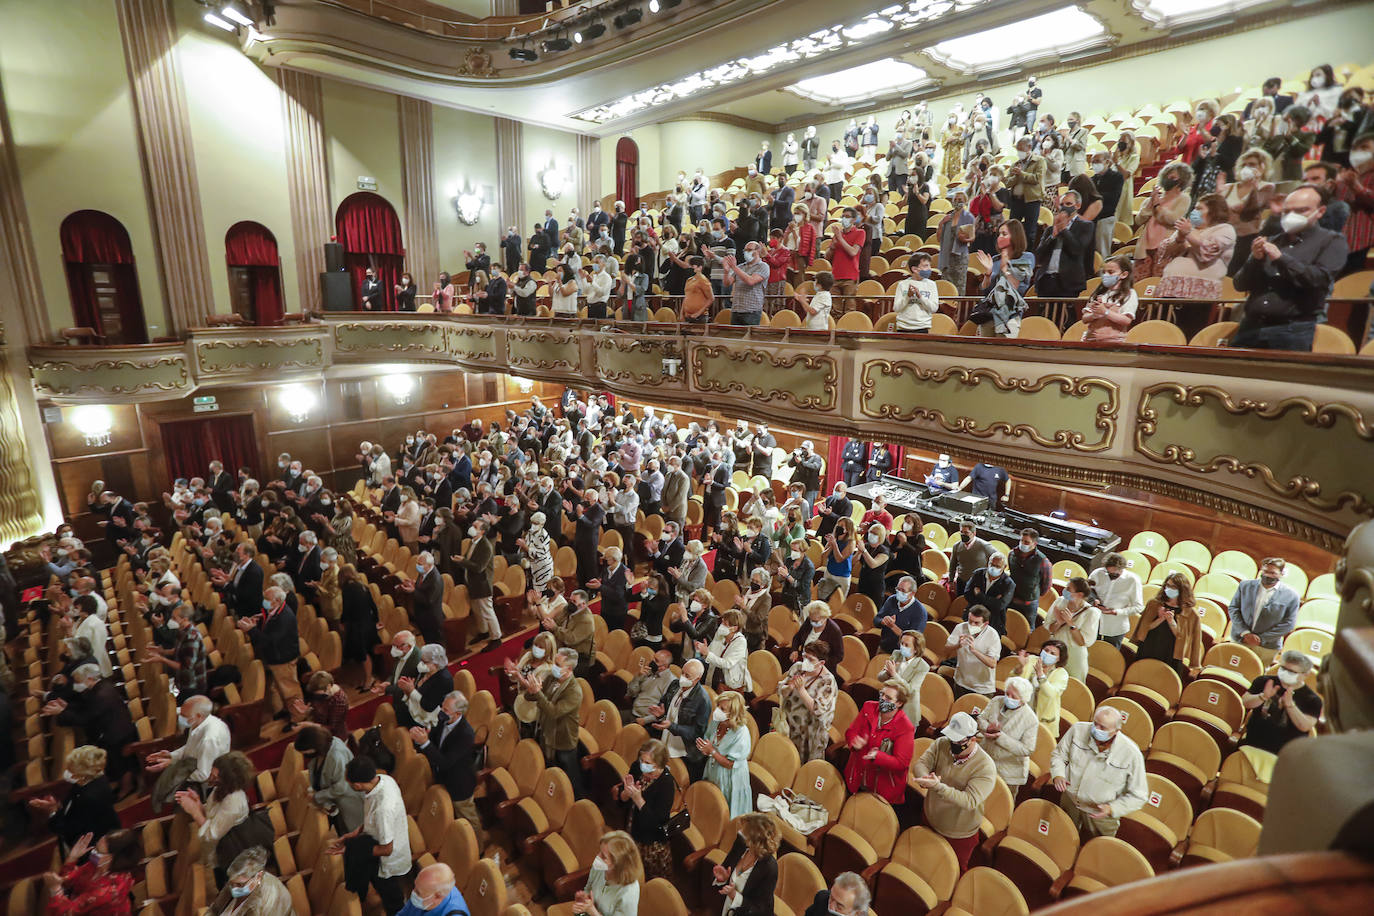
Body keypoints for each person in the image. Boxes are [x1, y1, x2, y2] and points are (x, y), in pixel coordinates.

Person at [1231, 186, 1348, 351]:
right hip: (1250, 326)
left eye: (1301, 210)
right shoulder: (1271, 241)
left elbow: (1317, 279)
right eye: (1287, 211)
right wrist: (1255, 261)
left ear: (1320, 211)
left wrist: (1281, 258)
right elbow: (1240, 284)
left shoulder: (1332, 241)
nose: (1292, 216)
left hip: (1293, 330)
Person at [913, 711, 997, 870]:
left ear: (973, 739)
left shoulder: (985, 767)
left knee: (951, 872)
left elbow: (969, 801)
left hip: (959, 833)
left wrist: (937, 787)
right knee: (923, 863)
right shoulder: (941, 743)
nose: (952, 743)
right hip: (930, 818)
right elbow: (921, 764)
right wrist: (924, 778)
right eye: (950, 737)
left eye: (957, 740)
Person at [1050, 706, 1148, 838]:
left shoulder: (1131, 753)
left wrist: (1112, 809)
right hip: (1070, 802)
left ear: (1116, 731)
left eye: (1103, 728)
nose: (1096, 729)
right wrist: (1058, 774)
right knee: (1061, 840)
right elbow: (1059, 755)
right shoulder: (1078, 729)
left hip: (1100, 815)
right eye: (1095, 723)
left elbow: (1139, 796)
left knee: (1095, 853)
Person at [330, 756, 411, 915]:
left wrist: (353, 851)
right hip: (379, 840)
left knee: (393, 901)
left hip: (388, 861)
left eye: (349, 783)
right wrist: (355, 834)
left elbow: (387, 849)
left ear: (358, 785)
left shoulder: (383, 808)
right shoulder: (385, 779)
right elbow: (372, 820)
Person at [50, 663, 138, 790]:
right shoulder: (101, 687)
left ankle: (127, 789)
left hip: (118, 736)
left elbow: (86, 718)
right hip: (113, 731)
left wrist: (62, 712)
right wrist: (66, 707)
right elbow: (86, 708)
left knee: (122, 766)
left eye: (79, 681)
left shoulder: (101, 694)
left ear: (90, 679)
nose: (77, 684)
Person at [410, 689, 481, 831]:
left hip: (459, 785)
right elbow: (435, 741)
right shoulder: (444, 720)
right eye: (442, 707)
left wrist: (425, 743)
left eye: (446, 709)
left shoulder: (465, 734)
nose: (441, 711)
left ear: (458, 714)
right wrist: (424, 738)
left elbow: (445, 762)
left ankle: (478, 849)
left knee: (469, 821)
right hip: (442, 778)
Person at [29, 745, 120, 853]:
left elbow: (68, 830)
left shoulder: (89, 797)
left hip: (93, 851)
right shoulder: (91, 781)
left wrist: (52, 811)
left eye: (70, 768)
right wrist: (55, 807)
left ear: (82, 772)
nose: (67, 772)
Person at [178, 751, 254, 879]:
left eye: (216, 776)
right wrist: (198, 805)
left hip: (227, 855)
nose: (211, 777)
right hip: (215, 848)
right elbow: (210, 815)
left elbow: (211, 834)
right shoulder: (221, 788)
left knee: (222, 882)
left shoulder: (234, 802)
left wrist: (194, 812)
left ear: (228, 779)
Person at [844, 680, 915, 803]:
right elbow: (851, 731)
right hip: (858, 774)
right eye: (881, 694)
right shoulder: (868, 707)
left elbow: (901, 763)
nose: (882, 699)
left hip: (882, 786)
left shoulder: (905, 727)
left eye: (888, 698)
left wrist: (878, 756)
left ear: (899, 703)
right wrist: (854, 741)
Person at [1239, 650, 1323, 754]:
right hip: (1252, 744)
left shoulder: (1312, 699)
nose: (1285, 673)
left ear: (1305, 674)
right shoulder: (1264, 682)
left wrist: (1290, 706)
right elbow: (1245, 702)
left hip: (1285, 753)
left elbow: (1305, 726)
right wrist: (1262, 697)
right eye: (1283, 668)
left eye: (1292, 671)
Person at [42, 829, 140, 916]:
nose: (93, 851)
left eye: (97, 850)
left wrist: (55, 889)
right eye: (95, 847)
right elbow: (67, 882)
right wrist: (72, 858)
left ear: (109, 858)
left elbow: (67, 913)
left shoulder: (108, 890)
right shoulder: (97, 865)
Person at [1227, 557, 1302, 666]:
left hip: (1267, 647)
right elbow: (1234, 609)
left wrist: (1261, 639)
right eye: (1265, 571)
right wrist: (1245, 633)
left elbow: (1289, 624)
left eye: (1272, 573)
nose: (1267, 575)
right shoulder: (1245, 586)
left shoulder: (1292, 596)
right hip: (1240, 639)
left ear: (1282, 574)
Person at [295, 724, 364, 833]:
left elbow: (340, 788)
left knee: (351, 832)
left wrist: (317, 797)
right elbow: (318, 774)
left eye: (305, 751)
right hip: (333, 802)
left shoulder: (336, 756)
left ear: (313, 748)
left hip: (348, 802)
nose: (303, 755)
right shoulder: (322, 750)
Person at [976, 676, 1039, 794]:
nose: (1008, 698)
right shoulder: (996, 701)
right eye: (1007, 693)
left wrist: (999, 737)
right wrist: (987, 728)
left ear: (1023, 700)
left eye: (1013, 697)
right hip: (985, 759)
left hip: (1008, 771)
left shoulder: (1031, 719)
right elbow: (981, 719)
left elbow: (1027, 749)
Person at [1132, 573, 1203, 677]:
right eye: (1167, 585)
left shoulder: (1191, 613)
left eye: (1173, 587)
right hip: (1149, 647)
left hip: (1172, 653)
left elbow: (1189, 639)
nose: (1168, 589)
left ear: (1182, 589)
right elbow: (1144, 629)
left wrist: (1171, 622)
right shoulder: (1154, 604)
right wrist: (1161, 618)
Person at [972, 220, 1034, 337]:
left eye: (1004, 234)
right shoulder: (995, 259)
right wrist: (988, 273)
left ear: (1015, 236)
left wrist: (1005, 265)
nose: (1000, 237)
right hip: (989, 316)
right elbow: (985, 290)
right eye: (999, 234)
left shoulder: (1026, 257)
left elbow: (1014, 287)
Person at [698, 691, 754, 819]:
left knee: (727, 812)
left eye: (722, 709)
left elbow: (730, 764)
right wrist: (704, 749)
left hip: (731, 778)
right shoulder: (716, 722)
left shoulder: (742, 733)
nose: (717, 710)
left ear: (733, 713)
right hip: (713, 770)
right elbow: (708, 740)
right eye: (718, 706)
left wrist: (711, 751)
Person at [778, 642, 837, 762]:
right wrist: (789, 687)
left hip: (810, 735)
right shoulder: (797, 668)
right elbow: (780, 691)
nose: (805, 661)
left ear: (821, 663)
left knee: (803, 767)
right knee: (784, 762)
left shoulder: (828, 682)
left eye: (810, 659)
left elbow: (818, 710)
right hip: (789, 726)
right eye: (804, 656)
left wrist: (801, 690)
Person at [1134, 162, 1193, 281]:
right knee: (1140, 283)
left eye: (1172, 177)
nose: (1167, 179)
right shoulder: (1154, 199)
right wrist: (1151, 203)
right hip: (1145, 248)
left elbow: (1173, 219)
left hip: (1165, 248)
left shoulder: (1183, 199)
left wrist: (1157, 206)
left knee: (1158, 283)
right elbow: (1139, 220)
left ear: (1181, 181)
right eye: (1166, 176)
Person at [712, 813, 779, 916]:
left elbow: (761, 909)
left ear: (755, 840)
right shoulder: (740, 844)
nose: (739, 832)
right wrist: (724, 879)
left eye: (745, 831)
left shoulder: (770, 868)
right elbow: (726, 874)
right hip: (725, 909)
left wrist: (734, 896)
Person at [1033, 189, 1094, 297]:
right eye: (1062, 204)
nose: (1064, 207)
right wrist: (1052, 236)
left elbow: (1077, 250)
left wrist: (1064, 230)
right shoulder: (1050, 230)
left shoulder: (1086, 226)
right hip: (1046, 281)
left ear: (1078, 205)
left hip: (1069, 282)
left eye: (1068, 203)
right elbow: (1039, 256)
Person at [567, 831, 642, 916]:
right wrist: (584, 899)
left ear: (618, 864)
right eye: (600, 852)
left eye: (603, 856)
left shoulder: (629, 891)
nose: (597, 857)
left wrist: (592, 911)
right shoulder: (599, 868)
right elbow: (588, 888)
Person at [208, 846, 292, 915]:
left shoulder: (265, 902)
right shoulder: (236, 880)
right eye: (231, 883)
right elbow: (214, 909)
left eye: (240, 885)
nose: (234, 889)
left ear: (258, 876)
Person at [1045, 576, 1100, 683]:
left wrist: (1070, 623)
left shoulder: (1091, 613)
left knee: (1072, 684)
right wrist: (1059, 622)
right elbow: (1050, 629)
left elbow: (1082, 642)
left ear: (1080, 595)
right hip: (1055, 649)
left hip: (1074, 655)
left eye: (1068, 589)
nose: (1065, 591)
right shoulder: (1060, 602)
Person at [1088, 552, 1144, 648]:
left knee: (1110, 657)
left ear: (1122, 568)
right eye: (1108, 572)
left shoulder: (1133, 580)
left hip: (1115, 627)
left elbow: (1138, 607)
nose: (1111, 575)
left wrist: (1116, 612)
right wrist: (1094, 600)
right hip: (1094, 622)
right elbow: (1087, 590)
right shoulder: (1098, 573)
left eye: (1114, 573)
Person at [1077, 254, 1138, 343]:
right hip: (1091, 340)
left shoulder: (1129, 294)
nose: (1106, 275)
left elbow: (1126, 320)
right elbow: (1085, 318)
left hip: (1114, 342)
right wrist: (1094, 315)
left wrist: (1105, 312)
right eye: (1104, 272)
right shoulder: (1099, 293)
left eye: (1111, 272)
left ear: (1124, 274)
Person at [946, 605, 999, 698]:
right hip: (961, 682)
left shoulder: (993, 635)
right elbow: (946, 649)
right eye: (970, 621)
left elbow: (992, 663)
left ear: (985, 624)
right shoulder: (960, 627)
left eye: (976, 623)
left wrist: (974, 651)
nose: (972, 625)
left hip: (982, 688)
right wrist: (958, 645)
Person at [1006, 135, 1047, 248]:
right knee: (1012, 229)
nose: (1019, 152)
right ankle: (1013, 252)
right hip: (1016, 201)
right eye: (1017, 150)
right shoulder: (1015, 164)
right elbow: (1007, 182)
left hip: (1032, 200)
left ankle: (1028, 256)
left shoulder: (1039, 161)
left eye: (1021, 149)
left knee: (1029, 231)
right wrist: (1015, 176)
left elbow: (1037, 179)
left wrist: (1021, 174)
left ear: (1029, 147)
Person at [960, 551, 1014, 635]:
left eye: (997, 566)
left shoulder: (1009, 584)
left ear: (1005, 567)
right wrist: (992, 600)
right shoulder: (978, 574)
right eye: (991, 564)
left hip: (993, 622)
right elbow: (967, 594)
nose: (993, 567)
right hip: (972, 616)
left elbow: (999, 605)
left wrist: (979, 595)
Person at [1019, 639, 1068, 728]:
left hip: (1042, 720)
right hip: (1022, 711)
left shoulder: (1061, 674)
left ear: (1059, 658)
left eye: (1052, 653)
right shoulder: (1031, 660)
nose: (1048, 654)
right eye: (1046, 650)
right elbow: (1013, 680)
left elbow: (1051, 693)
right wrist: (1020, 666)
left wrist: (1040, 675)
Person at [1006, 527, 1051, 625]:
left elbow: (1046, 584)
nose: (1022, 544)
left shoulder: (1042, 560)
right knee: (1008, 623)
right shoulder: (1011, 554)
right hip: (1012, 597)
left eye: (1026, 542)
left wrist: (1034, 592)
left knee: (1028, 627)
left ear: (1034, 544)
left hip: (1029, 602)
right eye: (1021, 540)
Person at [826, 208, 866, 311]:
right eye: (843, 216)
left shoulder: (860, 233)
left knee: (849, 309)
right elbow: (827, 256)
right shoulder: (838, 235)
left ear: (854, 219)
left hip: (850, 276)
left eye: (847, 217)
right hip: (835, 276)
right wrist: (833, 246)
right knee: (835, 309)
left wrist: (840, 238)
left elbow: (853, 252)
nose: (844, 219)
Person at [789, 600, 844, 673]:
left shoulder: (834, 631)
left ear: (824, 618)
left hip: (821, 668)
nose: (812, 623)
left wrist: (818, 664)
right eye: (811, 620)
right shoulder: (809, 621)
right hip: (804, 661)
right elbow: (797, 637)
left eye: (816, 621)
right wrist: (794, 650)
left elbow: (838, 656)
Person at [875, 575, 926, 654]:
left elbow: (914, 640)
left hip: (903, 653)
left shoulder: (920, 611)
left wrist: (893, 626)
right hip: (884, 647)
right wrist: (883, 621)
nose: (899, 592)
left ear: (912, 593)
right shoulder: (891, 600)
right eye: (898, 589)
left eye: (903, 590)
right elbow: (876, 620)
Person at [937, 190, 975, 293]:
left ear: (965, 202)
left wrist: (965, 239)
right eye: (955, 200)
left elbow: (972, 238)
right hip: (947, 256)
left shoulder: (968, 217)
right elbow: (939, 239)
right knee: (946, 286)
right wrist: (941, 224)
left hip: (960, 257)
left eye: (960, 200)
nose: (957, 202)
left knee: (959, 285)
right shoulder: (948, 218)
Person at [397, 863, 468, 916]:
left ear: (437, 896)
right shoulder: (423, 888)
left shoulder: (453, 913)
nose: (413, 892)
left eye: (418, 893)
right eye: (415, 886)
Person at [893, 254, 940, 332]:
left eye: (929, 266)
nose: (929, 269)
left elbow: (934, 308)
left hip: (922, 327)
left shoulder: (931, 284)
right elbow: (896, 308)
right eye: (926, 266)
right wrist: (908, 297)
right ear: (915, 269)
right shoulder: (902, 284)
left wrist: (920, 297)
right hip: (903, 326)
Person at [950, 518, 992, 591]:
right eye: (961, 532)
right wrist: (951, 580)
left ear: (974, 533)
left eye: (966, 533)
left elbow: (998, 558)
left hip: (977, 584)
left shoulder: (984, 546)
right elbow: (952, 565)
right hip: (961, 581)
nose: (963, 535)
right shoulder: (956, 546)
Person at [819, 516, 855, 600]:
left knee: (838, 601)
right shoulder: (833, 538)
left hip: (842, 576)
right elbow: (823, 556)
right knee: (824, 598)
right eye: (838, 525)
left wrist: (834, 545)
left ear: (847, 529)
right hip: (829, 572)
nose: (838, 527)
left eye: (841, 526)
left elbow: (839, 559)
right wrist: (831, 544)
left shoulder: (851, 542)